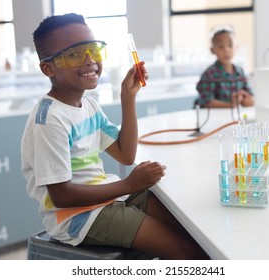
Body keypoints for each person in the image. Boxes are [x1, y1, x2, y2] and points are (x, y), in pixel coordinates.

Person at [20, 13, 209, 260]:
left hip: (110, 196)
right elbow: (62, 196)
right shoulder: (49, 120)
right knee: (185, 252)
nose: (89, 61)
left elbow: (125, 154)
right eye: (75, 54)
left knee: (193, 233)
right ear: (48, 68)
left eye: (93, 50)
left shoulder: (88, 106)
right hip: (78, 217)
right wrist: (130, 184)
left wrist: (128, 97)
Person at [196, 24, 254, 108]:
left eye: (230, 46)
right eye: (220, 47)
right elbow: (206, 101)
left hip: (234, 115)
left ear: (236, 47)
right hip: (214, 117)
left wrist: (246, 99)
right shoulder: (209, 74)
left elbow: (250, 95)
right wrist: (231, 105)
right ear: (212, 50)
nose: (226, 50)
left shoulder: (240, 71)